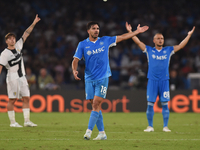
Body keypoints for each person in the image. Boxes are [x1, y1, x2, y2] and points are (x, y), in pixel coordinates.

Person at [72, 21, 149, 140]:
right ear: (88, 31)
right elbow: (75, 60)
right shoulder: (82, 44)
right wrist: (74, 70)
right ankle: (102, 133)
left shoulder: (105, 40)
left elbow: (123, 37)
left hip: (102, 78)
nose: (96, 30)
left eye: (98, 28)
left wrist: (136, 32)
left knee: (96, 104)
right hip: (89, 79)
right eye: (94, 28)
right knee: (94, 106)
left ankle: (88, 132)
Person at [126, 23, 195, 132]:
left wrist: (189, 35)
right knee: (150, 105)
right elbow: (138, 42)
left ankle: (165, 127)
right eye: (158, 38)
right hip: (152, 81)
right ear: (154, 40)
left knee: (165, 104)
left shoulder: (168, 50)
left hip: (164, 81)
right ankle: (150, 126)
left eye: (162, 38)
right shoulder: (149, 50)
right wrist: (130, 32)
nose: (160, 40)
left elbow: (181, 46)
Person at [0, 14, 41, 127]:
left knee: (26, 98)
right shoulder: (4, 54)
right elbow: (0, 67)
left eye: (13, 38)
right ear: (6, 41)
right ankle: (12, 122)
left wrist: (34, 23)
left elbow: (26, 34)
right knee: (12, 100)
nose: (13, 39)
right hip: (12, 78)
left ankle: (27, 121)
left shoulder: (18, 46)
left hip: (22, 77)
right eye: (10, 38)